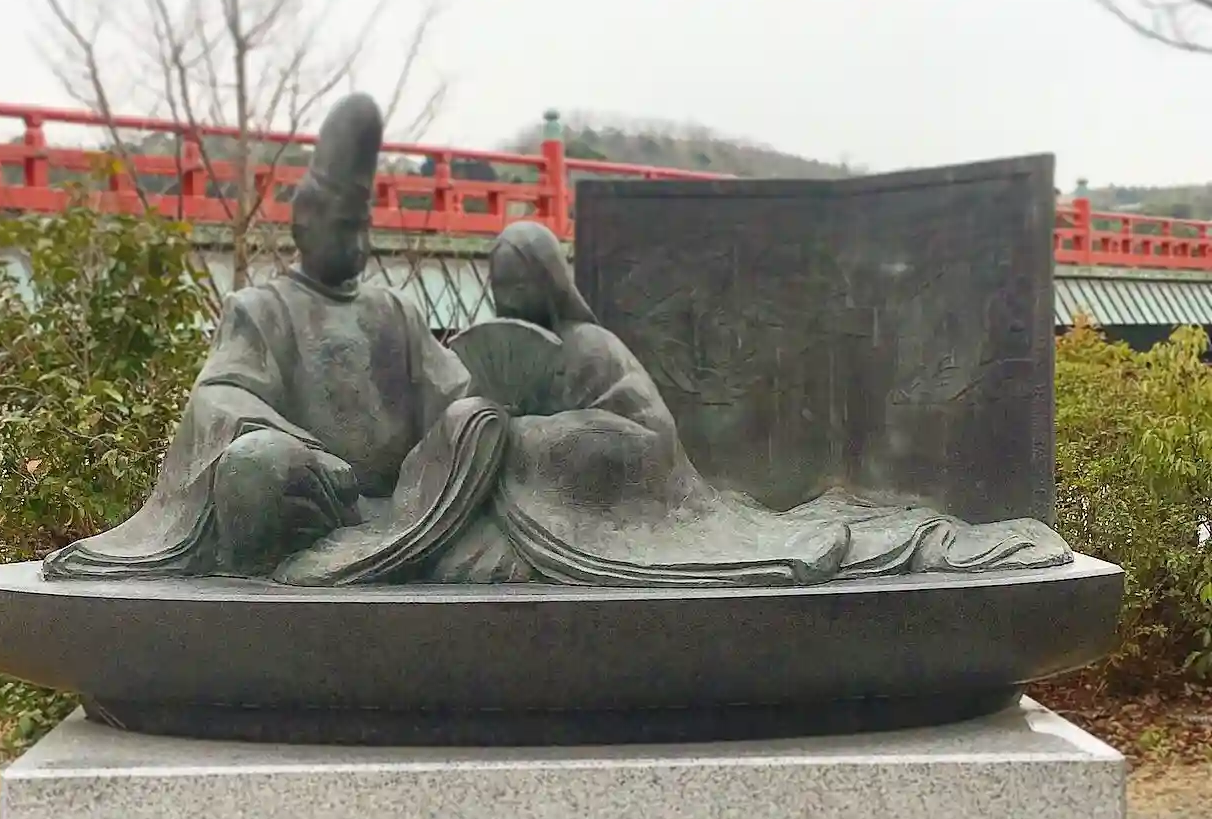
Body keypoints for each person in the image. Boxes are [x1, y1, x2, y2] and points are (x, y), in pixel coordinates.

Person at [384, 220, 1070, 588]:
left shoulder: (592, 348)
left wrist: (534, 436)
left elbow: (647, 440)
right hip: (525, 514)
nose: (508, 300)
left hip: (626, 508)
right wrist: (479, 428)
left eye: (519, 285)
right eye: (499, 286)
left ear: (546, 282)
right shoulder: (499, 351)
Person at [43, 93, 482, 580]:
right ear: (305, 224)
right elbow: (219, 398)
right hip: (313, 495)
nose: (359, 245)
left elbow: (455, 394)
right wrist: (309, 452)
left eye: (364, 229)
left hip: (404, 506)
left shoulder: (397, 310)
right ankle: (257, 590)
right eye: (344, 229)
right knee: (254, 462)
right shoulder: (261, 308)